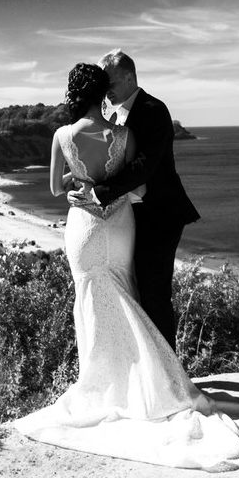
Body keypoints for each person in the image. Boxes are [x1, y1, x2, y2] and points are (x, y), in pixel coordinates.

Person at [11, 63, 239, 472]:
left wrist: (84, 186)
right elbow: (138, 182)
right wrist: (105, 190)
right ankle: (148, 383)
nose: (111, 92)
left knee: (106, 298)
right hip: (121, 225)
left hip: (93, 227)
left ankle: (119, 383)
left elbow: (58, 187)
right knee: (128, 293)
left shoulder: (77, 132)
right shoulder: (121, 132)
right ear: (100, 93)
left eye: (114, 83)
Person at [82, 48, 200, 353]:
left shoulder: (153, 109)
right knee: (135, 290)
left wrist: (100, 193)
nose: (106, 91)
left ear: (129, 77)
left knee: (154, 293)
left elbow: (144, 166)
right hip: (132, 216)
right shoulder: (113, 114)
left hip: (160, 215)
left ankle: (169, 370)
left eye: (109, 84)